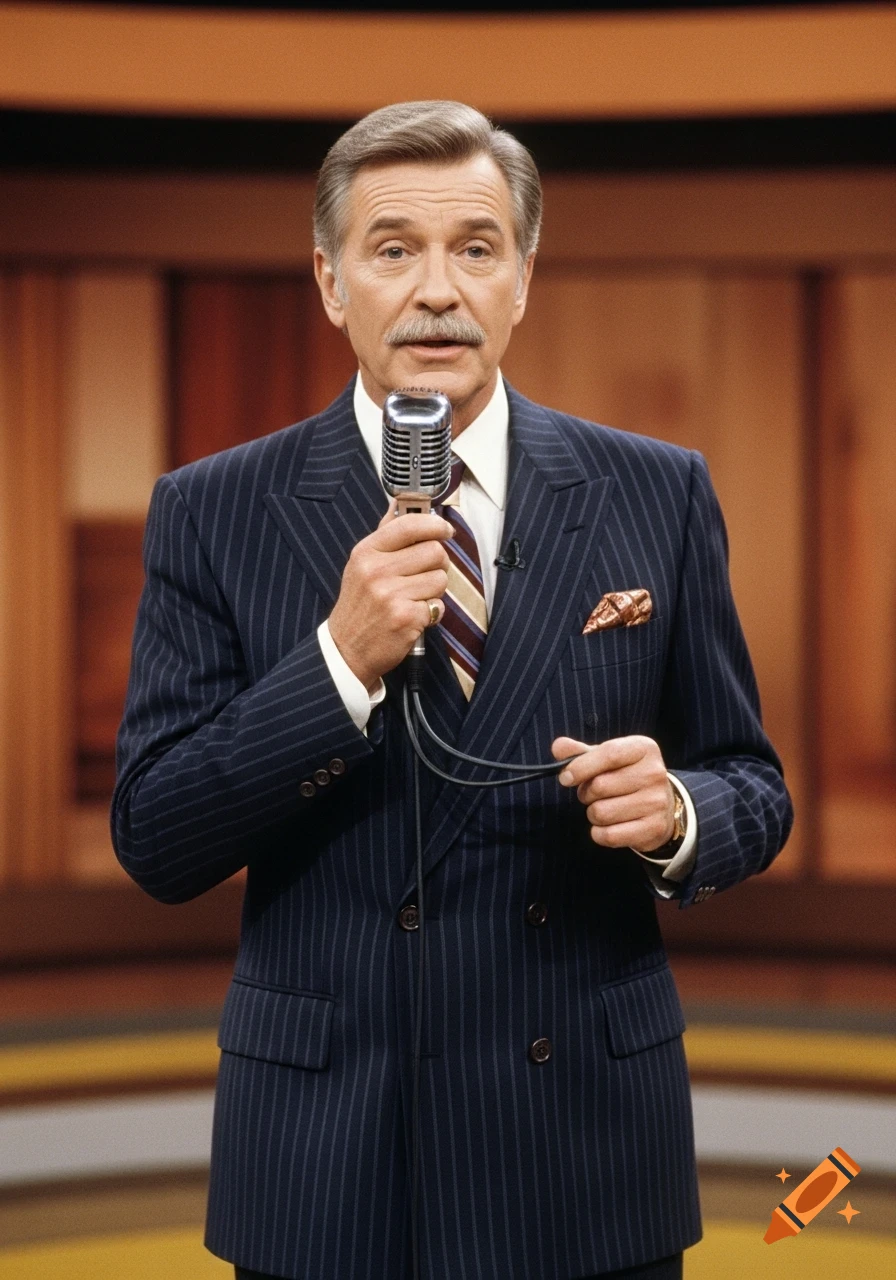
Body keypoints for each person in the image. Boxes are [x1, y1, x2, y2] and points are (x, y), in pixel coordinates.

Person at [113, 102, 793, 1280]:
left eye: (475, 248)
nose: (438, 289)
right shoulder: (211, 508)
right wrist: (337, 660)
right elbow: (158, 836)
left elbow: (752, 782)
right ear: (330, 283)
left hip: (584, 1144)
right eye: (393, 250)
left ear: (521, 279)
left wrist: (680, 813)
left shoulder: (658, 491)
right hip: (328, 1157)